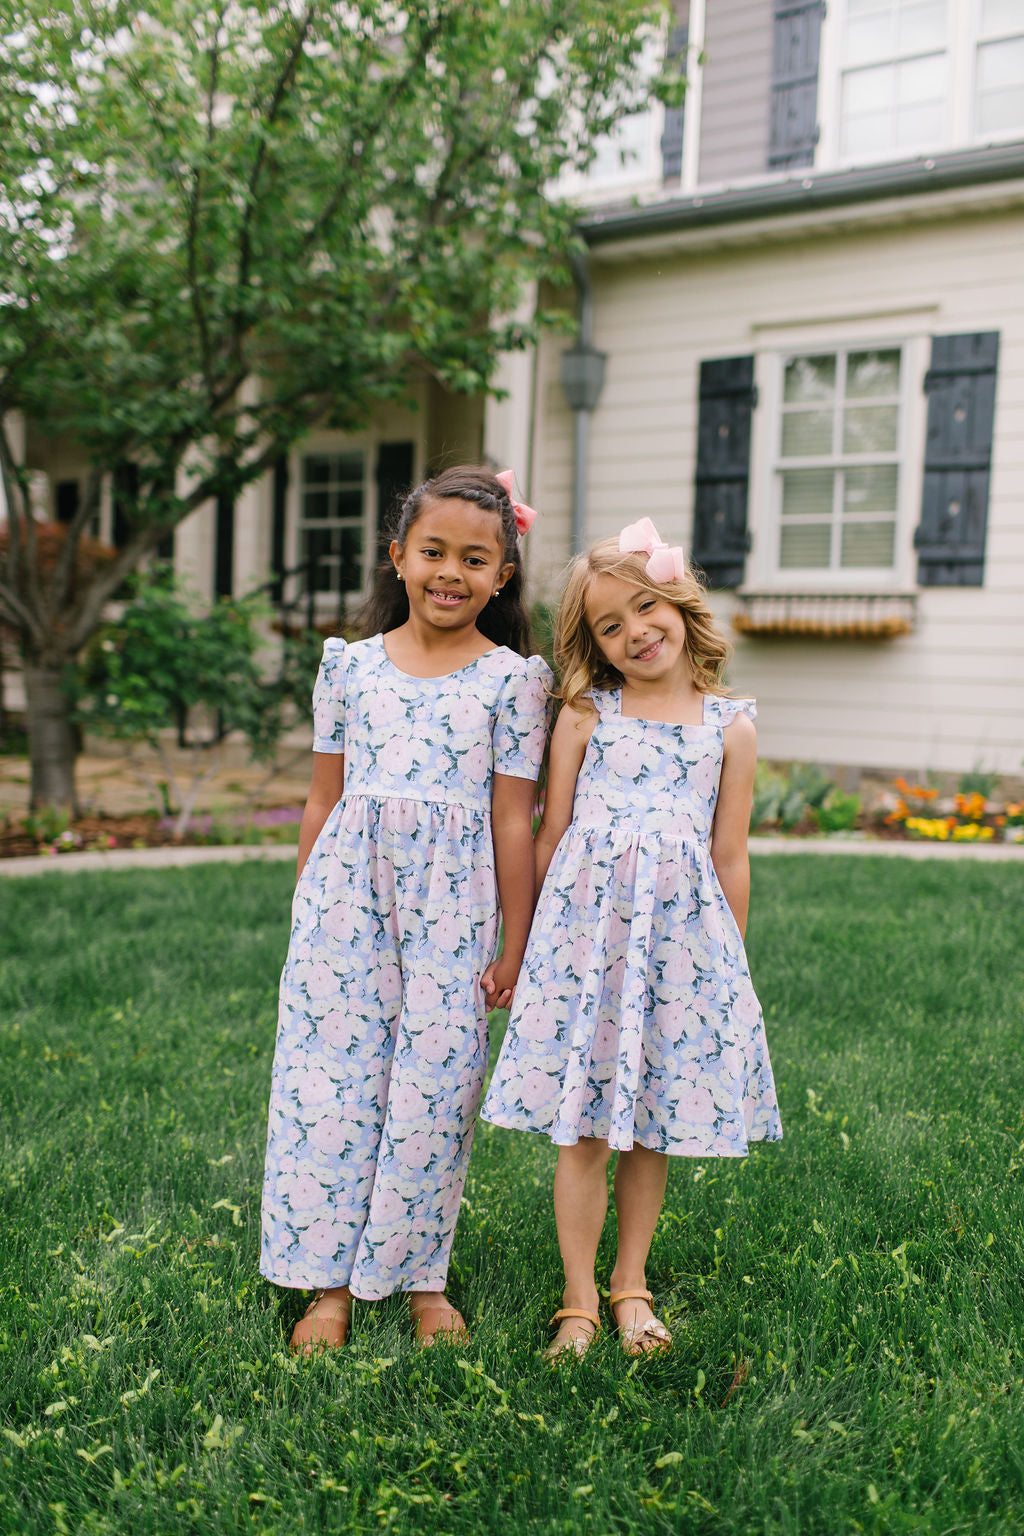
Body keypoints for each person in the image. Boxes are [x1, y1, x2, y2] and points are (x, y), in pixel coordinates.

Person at [260, 466, 551, 1353]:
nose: (450, 572)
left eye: (475, 559)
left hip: (454, 917)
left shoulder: (513, 681)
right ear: (398, 557)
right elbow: (324, 797)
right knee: (334, 1083)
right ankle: (330, 1285)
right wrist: (308, 907)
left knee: (436, 1087)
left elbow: (513, 819)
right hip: (346, 909)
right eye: (434, 551)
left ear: (502, 576)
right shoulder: (349, 668)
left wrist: (514, 943)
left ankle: (421, 1277)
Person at [481, 517, 782, 1359]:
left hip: (678, 958)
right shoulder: (587, 716)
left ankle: (630, 1284)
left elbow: (730, 854)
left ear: (680, 604)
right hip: (586, 950)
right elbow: (550, 835)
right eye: (610, 625)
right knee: (582, 1125)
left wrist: (727, 968)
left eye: (647, 608)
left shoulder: (731, 728)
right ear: (596, 644)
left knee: (650, 1124)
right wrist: (529, 948)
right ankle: (577, 1298)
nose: (635, 632)